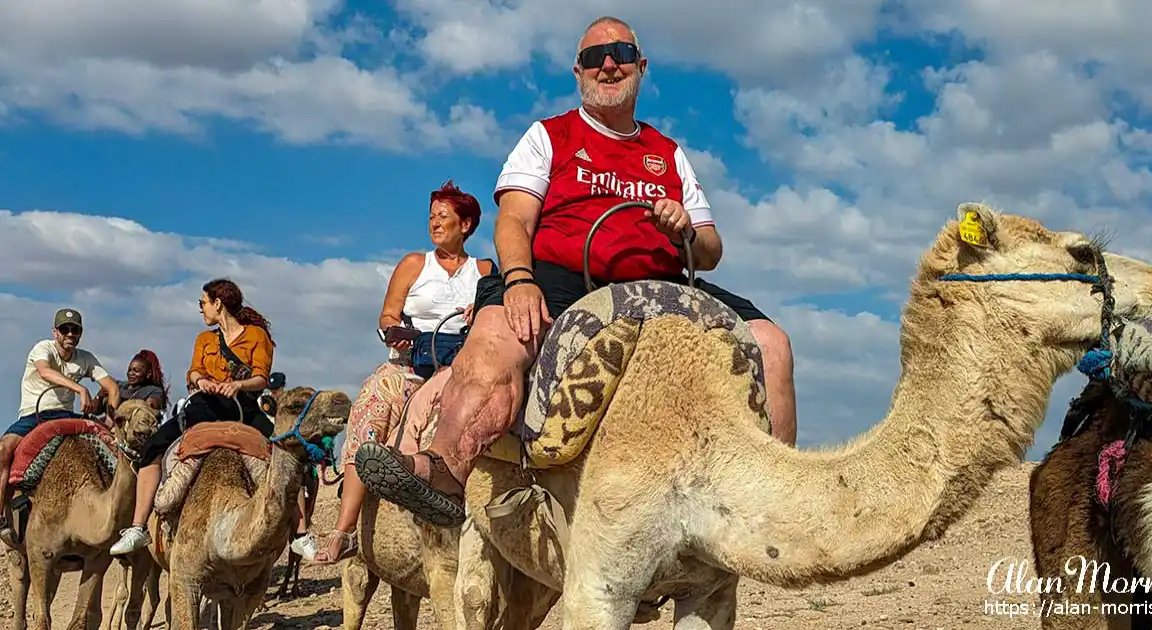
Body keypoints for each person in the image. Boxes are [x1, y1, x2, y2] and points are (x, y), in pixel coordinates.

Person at [354, 16, 798, 528]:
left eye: (621, 54)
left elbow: (711, 250)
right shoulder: (549, 136)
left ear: (641, 66)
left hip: (660, 283)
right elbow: (515, 219)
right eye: (594, 57)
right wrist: (519, 279)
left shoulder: (669, 154)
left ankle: (772, 496)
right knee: (500, 328)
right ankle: (444, 468)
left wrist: (685, 230)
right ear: (578, 71)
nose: (608, 65)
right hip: (560, 273)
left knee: (770, 341)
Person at [307, 180, 493, 564]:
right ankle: (344, 531)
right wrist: (396, 331)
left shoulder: (486, 270)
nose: (435, 223)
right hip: (410, 363)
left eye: (443, 216)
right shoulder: (414, 264)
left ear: (467, 224)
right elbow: (388, 314)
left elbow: (500, 316)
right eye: (431, 217)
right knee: (371, 409)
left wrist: (484, 309)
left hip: (464, 366)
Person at [110, 278, 276, 555]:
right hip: (205, 404)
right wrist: (202, 382)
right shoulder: (205, 339)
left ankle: (299, 533)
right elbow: (194, 371)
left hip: (243, 407)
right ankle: (138, 526)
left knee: (285, 454)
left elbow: (261, 377)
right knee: (153, 446)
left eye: (203, 303)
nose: (201, 310)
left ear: (218, 304)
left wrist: (237, 385)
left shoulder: (257, 337)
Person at [0, 308, 121, 537]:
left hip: (64, 416)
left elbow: (112, 387)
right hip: (33, 415)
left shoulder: (85, 358)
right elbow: (45, 372)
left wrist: (110, 421)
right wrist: (80, 388)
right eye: (65, 329)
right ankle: (0, 515)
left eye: (74, 330)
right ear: (55, 332)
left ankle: (123, 520)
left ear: (80, 333)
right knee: (3, 449)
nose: (70, 334)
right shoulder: (43, 348)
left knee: (115, 451)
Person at [96, 349, 169, 412]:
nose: (131, 373)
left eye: (136, 371)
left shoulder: (154, 391)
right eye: (129, 370)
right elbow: (95, 411)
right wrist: (100, 397)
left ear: (148, 373)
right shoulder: (117, 385)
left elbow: (148, 411)